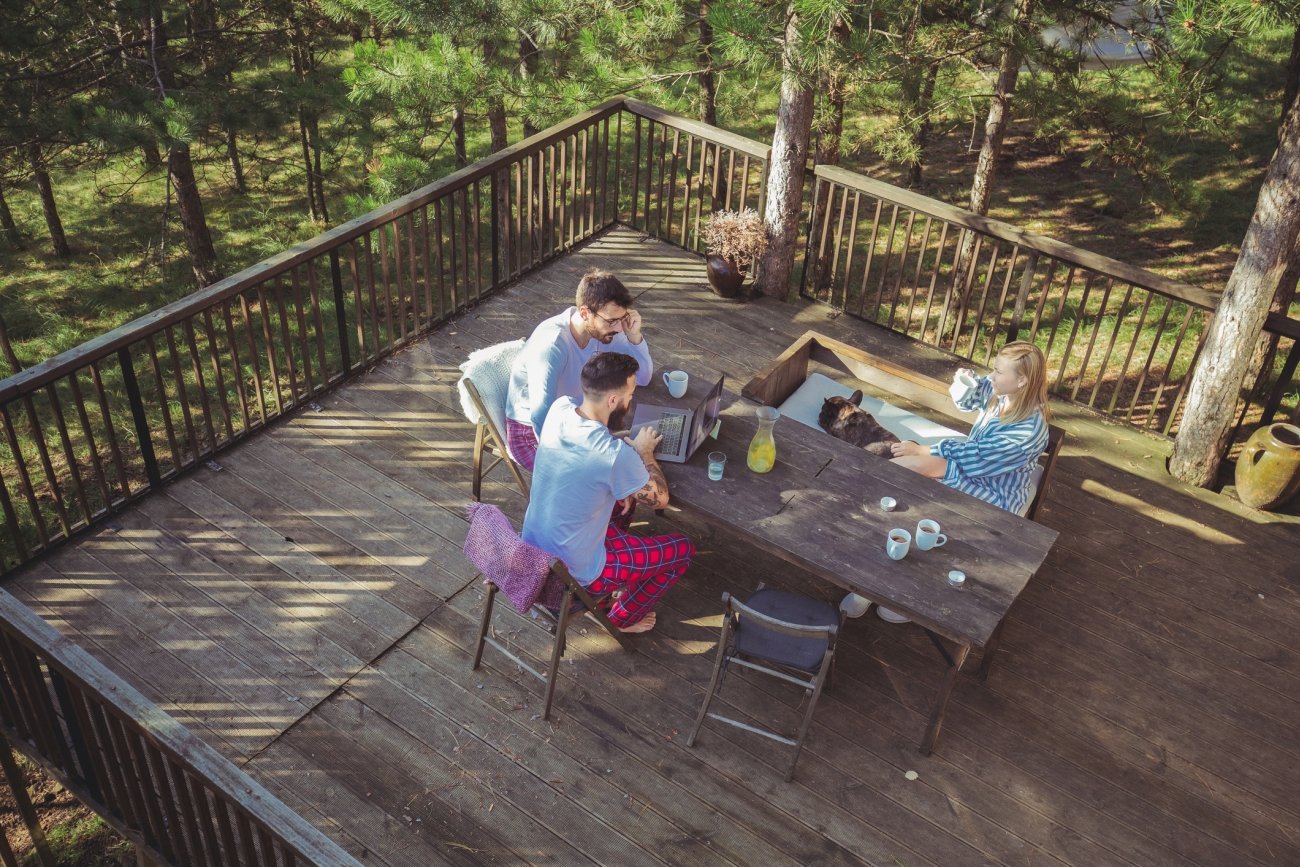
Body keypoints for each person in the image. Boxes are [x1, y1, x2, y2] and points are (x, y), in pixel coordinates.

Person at [522, 353, 693, 634]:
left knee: (621, 501)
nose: (631, 400)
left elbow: (592, 455)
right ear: (613, 401)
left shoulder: (560, 409)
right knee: (682, 550)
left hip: (535, 552)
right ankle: (620, 619)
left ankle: (610, 594)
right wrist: (645, 453)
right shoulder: (614, 455)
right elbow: (660, 498)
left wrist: (623, 476)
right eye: (631, 394)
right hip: (575, 574)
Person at [505, 269, 652, 470]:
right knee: (602, 479)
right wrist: (575, 462)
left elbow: (643, 377)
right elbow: (541, 417)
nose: (619, 328)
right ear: (585, 313)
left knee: (626, 466)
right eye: (611, 321)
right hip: (532, 433)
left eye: (622, 318)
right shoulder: (552, 345)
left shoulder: (608, 331)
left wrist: (634, 336)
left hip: (580, 418)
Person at [890, 341, 1050, 515]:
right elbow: (967, 403)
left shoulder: (1027, 433)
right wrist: (966, 381)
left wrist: (923, 450)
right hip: (969, 469)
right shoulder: (1002, 393)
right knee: (910, 468)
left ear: (1022, 380)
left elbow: (975, 456)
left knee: (914, 467)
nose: (991, 376)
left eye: (999, 372)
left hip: (995, 496)